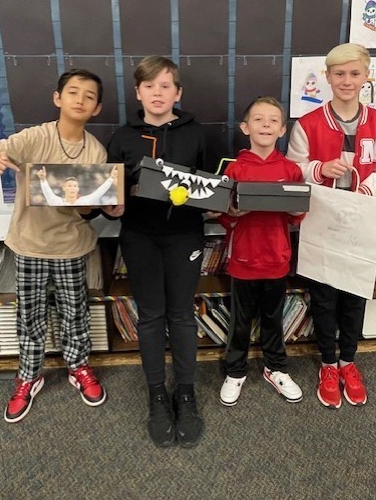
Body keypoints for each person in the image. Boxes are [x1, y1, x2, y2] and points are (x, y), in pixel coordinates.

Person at [0, 69, 119, 423]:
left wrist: (93, 205)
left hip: (71, 246)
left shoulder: (95, 150)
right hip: (29, 244)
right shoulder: (35, 137)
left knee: (75, 313)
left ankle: (78, 366)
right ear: (58, 98)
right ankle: (29, 375)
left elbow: (88, 211)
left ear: (97, 108)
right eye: (73, 92)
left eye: (89, 96)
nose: (80, 100)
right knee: (30, 315)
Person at [287, 43, 376, 409]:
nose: (347, 80)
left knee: (355, 293)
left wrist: (367, 187)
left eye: (354, 73)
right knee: (323, 296)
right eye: (339, 73)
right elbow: (293, 169)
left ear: (366, 76)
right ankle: (327, 363)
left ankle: (348, 361)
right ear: (328, 77)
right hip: (322, 219)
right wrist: (320, 169)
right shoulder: (308, 124)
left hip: (362, 218)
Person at [107, 55, 206, 448]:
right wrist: (112, 207)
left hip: (185, 236)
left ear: (178, 93)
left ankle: (186, 393)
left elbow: (213, 183)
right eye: (149, 86)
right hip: (139, 236)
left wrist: (213, 200)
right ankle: (157, 395)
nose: (157, 93)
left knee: (181, 314)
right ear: (138, 92)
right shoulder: (122, 137)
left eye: (166, 86)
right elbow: (110, 192)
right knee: (150, 315)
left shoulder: (197, 134)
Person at [218, 96, 305, 407]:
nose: (266, 125)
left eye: (273, 120)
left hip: (277, 259)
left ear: (282, 130)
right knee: (240, 321)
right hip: (243, 259)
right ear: (245, 127)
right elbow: (224, 216)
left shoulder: (291, 170)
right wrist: (232, 212)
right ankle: (235, 371)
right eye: (258, 119)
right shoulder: (234, 169)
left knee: (273, 319)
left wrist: (296, 209)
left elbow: (297, 216)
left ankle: (276, 368)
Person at [36, 164, 118, 206]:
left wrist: (111, 178)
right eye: (69, 186)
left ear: (78, 189)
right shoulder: (56, 201)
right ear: (64, 188)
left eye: (75, 186)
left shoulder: (86, 201)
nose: (72, 188)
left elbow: (100, 191)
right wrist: (43, 179)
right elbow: (48, 193)